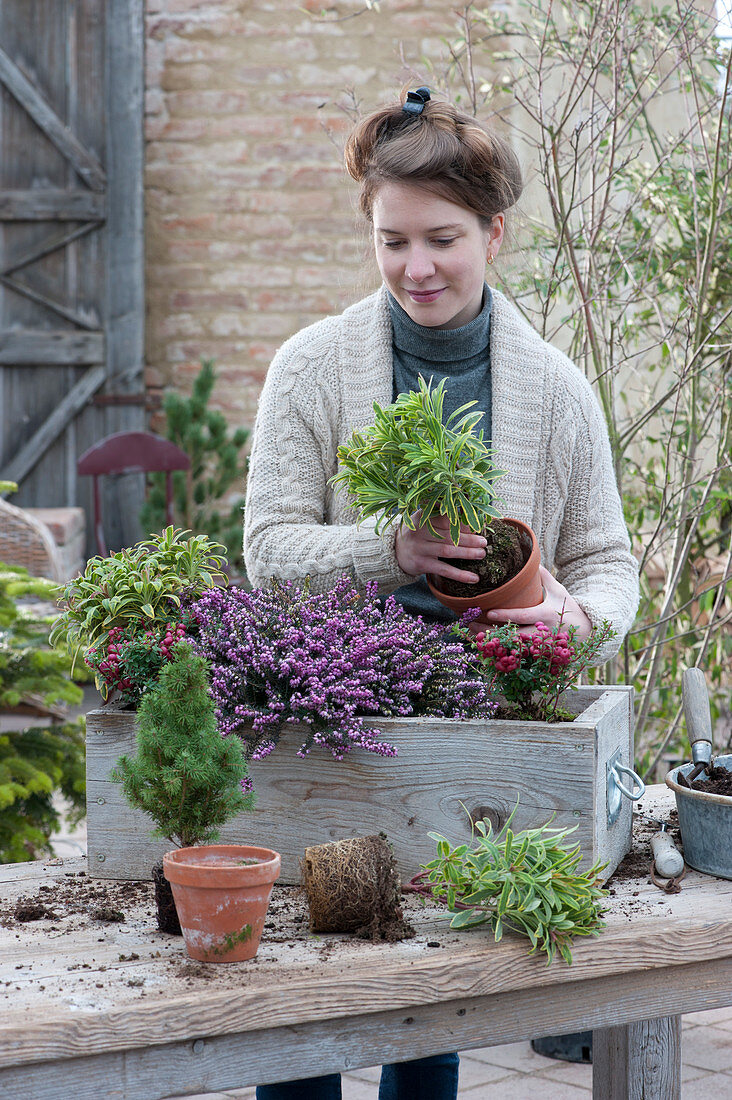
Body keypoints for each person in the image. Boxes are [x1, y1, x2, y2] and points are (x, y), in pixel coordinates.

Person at [245, 86, 639, 1100]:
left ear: (494, 233)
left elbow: (607, 562)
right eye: (392, 241)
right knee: (310, 980)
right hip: (334, 716)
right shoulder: (310, 370)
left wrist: (572, 620)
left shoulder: (554, 389)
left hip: (481, 721)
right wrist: (393, 547)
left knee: (434, 984)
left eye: (442, 239)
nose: (416, 267)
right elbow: (267, 552)